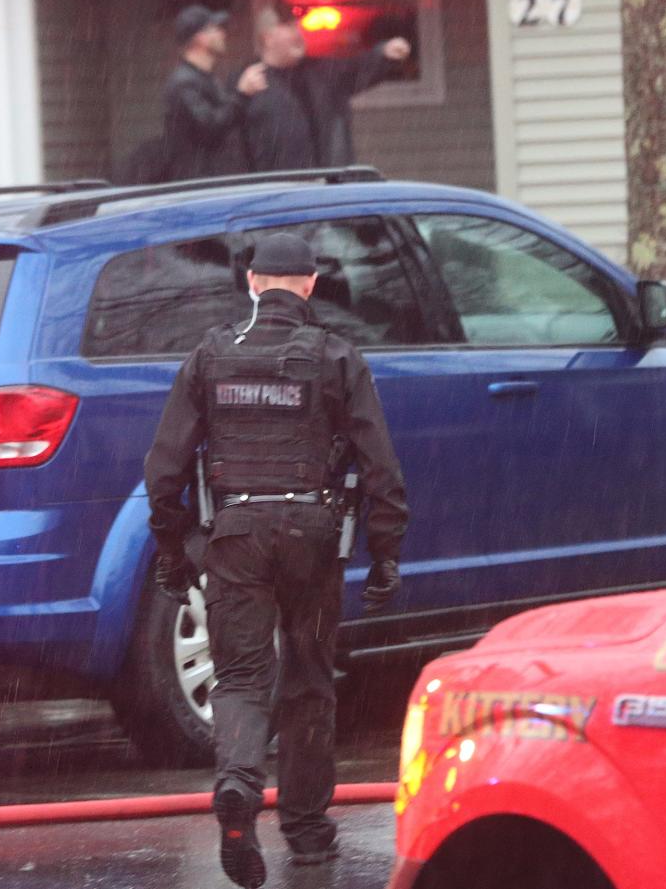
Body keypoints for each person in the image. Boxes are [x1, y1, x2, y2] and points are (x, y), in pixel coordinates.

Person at [143, 232, 408, 888]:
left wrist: (174, 551)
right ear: (311, 285)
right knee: (310, 681)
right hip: (313, 538)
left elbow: (164, 470)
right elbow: (382, 468)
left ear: (253, 284)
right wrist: (386, 554)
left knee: (238, 677)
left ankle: (237, 784)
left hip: (235, 535)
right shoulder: (337, 357)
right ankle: (310, 830)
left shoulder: (210, 355)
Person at [239, 7, 411, 171]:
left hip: (329, 185)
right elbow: (235, 141)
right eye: (290, 27)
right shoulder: (247, 82)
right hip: (276, 192)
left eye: (298, 26)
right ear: (268, 38)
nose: (298, 33)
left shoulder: (321, 72)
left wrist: (384, 54)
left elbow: (356, 69)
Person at [162, 5, 268, 181]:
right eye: (215, 29)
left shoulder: (205, 78)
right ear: (200, 38)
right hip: (202, 188)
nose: (222, 34)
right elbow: (210, 129)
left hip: (217, 184)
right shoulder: (184, 84)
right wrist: (242, 94)